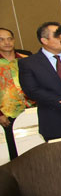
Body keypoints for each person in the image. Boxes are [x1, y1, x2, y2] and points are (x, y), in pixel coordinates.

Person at [18, 22, 61, 141]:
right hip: (54, 121)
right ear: (44, 40)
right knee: (60, 158)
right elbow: (31, 90)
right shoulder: (29, 63)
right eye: (57, 35)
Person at [0, 28, 34, 159]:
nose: (6, 42)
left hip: (32, 109)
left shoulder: (26, 58)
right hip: (8, 114)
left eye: (9, 39)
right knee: (15, 153)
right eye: (1, 40)